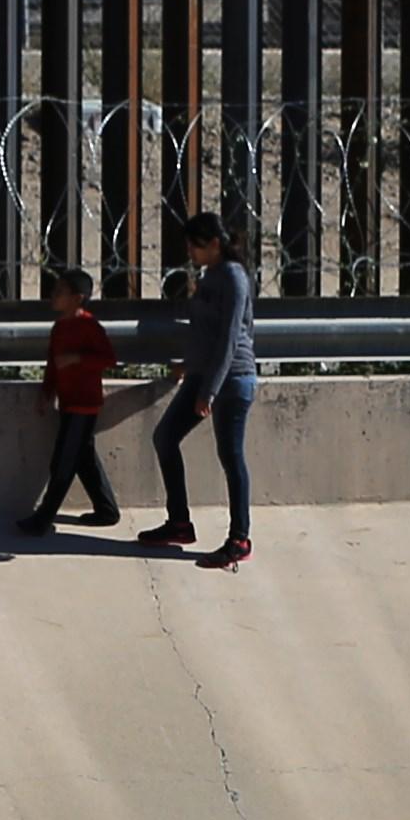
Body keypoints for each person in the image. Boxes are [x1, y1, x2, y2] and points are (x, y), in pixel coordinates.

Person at [147, 210, 255, 571]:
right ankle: (179, 523)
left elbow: (227, 341)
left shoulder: (235, 278)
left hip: (231, 379)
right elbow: (203, 333)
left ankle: (239, 539)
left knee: (231, 456)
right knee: (165, 437)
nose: (189, 252)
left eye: (194, 245)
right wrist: (187, 366)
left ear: (213, 244)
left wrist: (208, 391)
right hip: (204, 376)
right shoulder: (210, 275)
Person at [20, 267, 125, 534]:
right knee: (83, 457)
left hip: (85, 405)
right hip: (68, 402)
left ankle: (43, 518)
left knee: (64, 461)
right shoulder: (59, 327)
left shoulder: (89, 326)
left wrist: (78, 358)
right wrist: (47, 393)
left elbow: (109, 359)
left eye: (60, 292)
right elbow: (53, 365)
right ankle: (107, 510)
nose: (53, 296)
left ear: (77, 298)